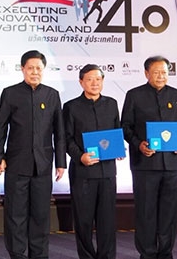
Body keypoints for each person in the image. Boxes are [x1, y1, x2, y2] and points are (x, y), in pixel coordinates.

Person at [0, 50, 66, 259]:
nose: (35, 72)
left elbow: (59, 132)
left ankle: (39, 255)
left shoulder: (52, 95)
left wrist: (60, 163)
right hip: (16, 164)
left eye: (38, 68)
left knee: (41, 216)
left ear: (43, 70)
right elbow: (0, 128)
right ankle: (17, 254)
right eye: (30, 68)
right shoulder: (10, 93)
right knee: (15, 215)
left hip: (42, 166)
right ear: (23, 69)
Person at [120, 55, 177, 259]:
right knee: (146, 212)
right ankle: (147, 253)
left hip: (172, 165)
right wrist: (139, 144)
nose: (161, 76)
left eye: (165, 72)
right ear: (147, 73)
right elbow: (125, 127)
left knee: (170, 213)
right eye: (156, 72)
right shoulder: (134, 95)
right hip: (145, 164)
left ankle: (166, 252)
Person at [62, 64, 120, 259]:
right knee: (84, 221)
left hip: (107, 172)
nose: (95, 83)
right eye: (89, 79)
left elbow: (116, 132)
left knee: (107, 221)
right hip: (83, 172)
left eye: (98, 79)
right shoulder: (71, 107)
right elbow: (66, 138)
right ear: (81, 82)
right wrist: (80, 156)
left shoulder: (112, 104)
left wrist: (119, 149)